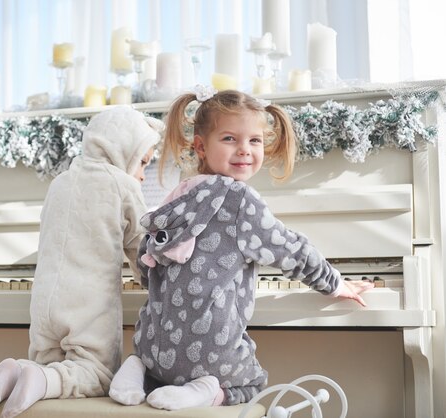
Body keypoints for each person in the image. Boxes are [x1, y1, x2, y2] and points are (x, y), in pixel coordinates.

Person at [108, 87, 373, 411]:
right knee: (252, 384)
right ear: (201, 146)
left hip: (153, 346)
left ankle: (136, 368)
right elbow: (290, 249)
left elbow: (147, 263)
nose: (244, 150)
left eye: (255, 141)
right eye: (230, 139)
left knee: (156, 356)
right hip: (208, 353)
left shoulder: (179, 193)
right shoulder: (239, 200)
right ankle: (206, 389)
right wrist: (335, 283)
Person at [0, 106, 164, 418]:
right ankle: (38, 378)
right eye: (142, 162)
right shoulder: (122, 185)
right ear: (122, 150)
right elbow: (144, 251)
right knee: (97, 373)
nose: (142, 174)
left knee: (49, 361)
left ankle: (20, 370)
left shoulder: (60, 182)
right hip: (86, 304)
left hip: (45, 303)